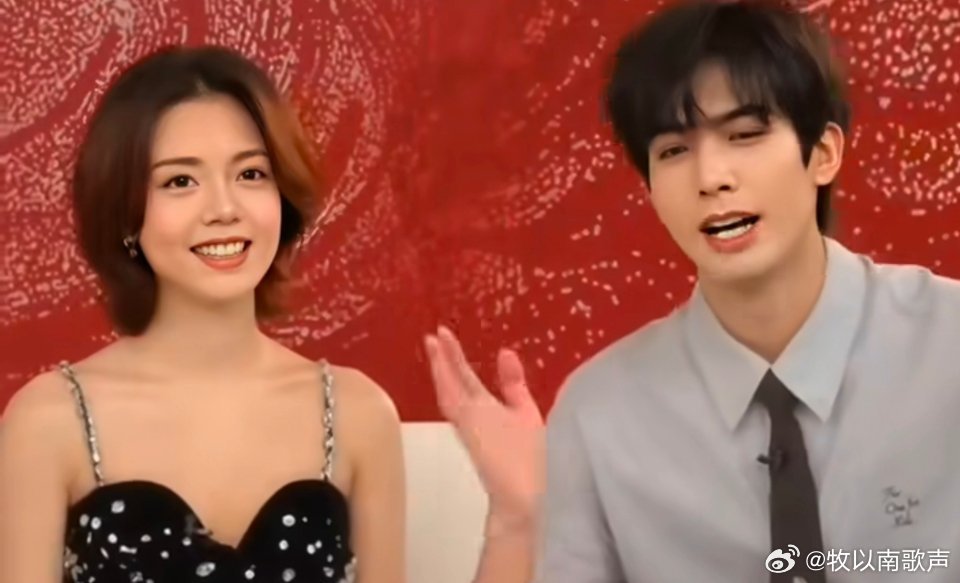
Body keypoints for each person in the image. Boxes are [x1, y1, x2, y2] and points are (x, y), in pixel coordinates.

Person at [426, 1, 960, 582]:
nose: (710, 179)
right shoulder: (599, 414)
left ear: (824, 153)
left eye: (745, 134)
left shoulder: (947, 344)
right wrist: (519, 519)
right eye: (674, 151)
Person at [0, 46, 541, 583]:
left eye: (251, 174)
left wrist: (515, 521)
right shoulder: (49, 420)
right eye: (180, 181)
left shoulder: (356, 414)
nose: (224, 208)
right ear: (125, 215)